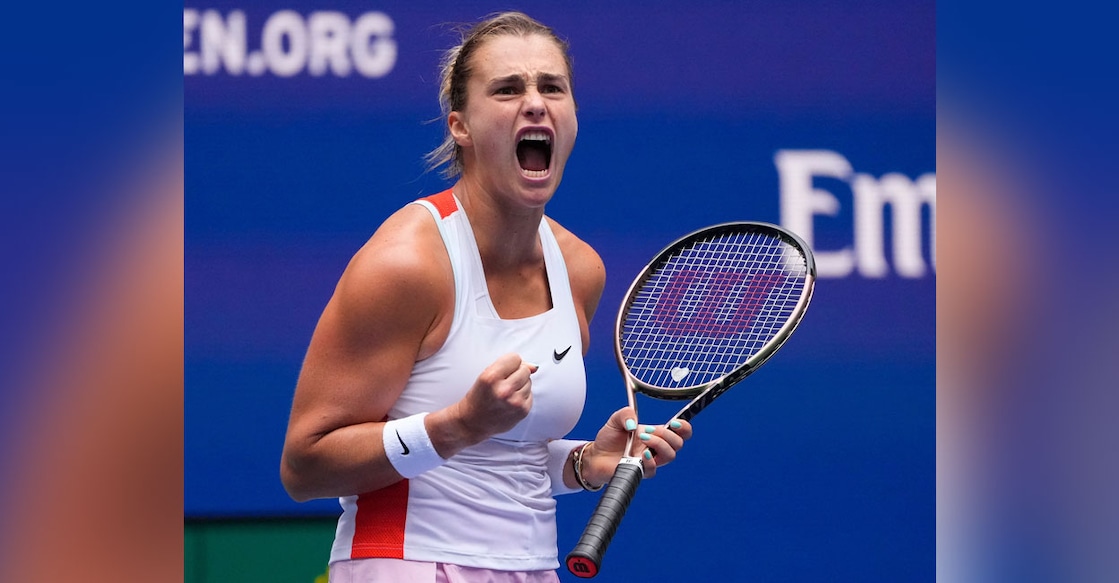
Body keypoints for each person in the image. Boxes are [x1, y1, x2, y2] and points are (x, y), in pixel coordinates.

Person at [280, 11, 692, 582]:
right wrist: (456, 425)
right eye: (507, 89)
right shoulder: (407, 264)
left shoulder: (579, 269)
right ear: (461, 126)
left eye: (552, 87)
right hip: (405, 563)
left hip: (532, 568)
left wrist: (584, 462)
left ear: (573, 117)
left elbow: (503, 462)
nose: (535, 103)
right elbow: (305, 467)